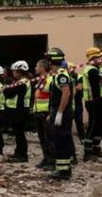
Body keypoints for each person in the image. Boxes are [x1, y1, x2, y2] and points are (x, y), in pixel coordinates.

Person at [46, 48, 74, 180]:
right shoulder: (58, 75)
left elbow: (66, 93)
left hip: (63, 111)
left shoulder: (61, 75)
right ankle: (62, 168)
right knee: (60, 139)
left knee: (62, 139)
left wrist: (60, 112)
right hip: (59, 110)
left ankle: (64, 171)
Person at [81, 47, 102, 161]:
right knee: (92, 126)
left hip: (94, 101)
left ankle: (95, 147)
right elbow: (101, 83)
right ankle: (87, 151)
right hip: (93, 101)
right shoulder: (92, 70)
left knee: (97, 126)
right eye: (100, 57)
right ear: (94, 58)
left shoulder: (93, 69)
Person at [4, 61, 31, 163]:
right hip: (17, 109)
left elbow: (9, 93)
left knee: (19, 133)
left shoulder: (22, 82)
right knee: (17, 133)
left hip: (20, 110)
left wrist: (7, 90)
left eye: (15, 71)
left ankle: (22, 155)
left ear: (19, 72)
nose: (13, 73)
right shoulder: (20, 81)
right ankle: (18, 152)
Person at [32, 59, 54, 170]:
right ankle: (46, 158)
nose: (35, 68)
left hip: (45, 113)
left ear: (42, 68)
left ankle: (51, 161)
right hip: (38, 112)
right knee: (42, 138)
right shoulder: (40, 80)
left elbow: (53, 98)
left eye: (37, 66)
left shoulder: (50, 80)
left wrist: (51, 113)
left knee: (48, 138)